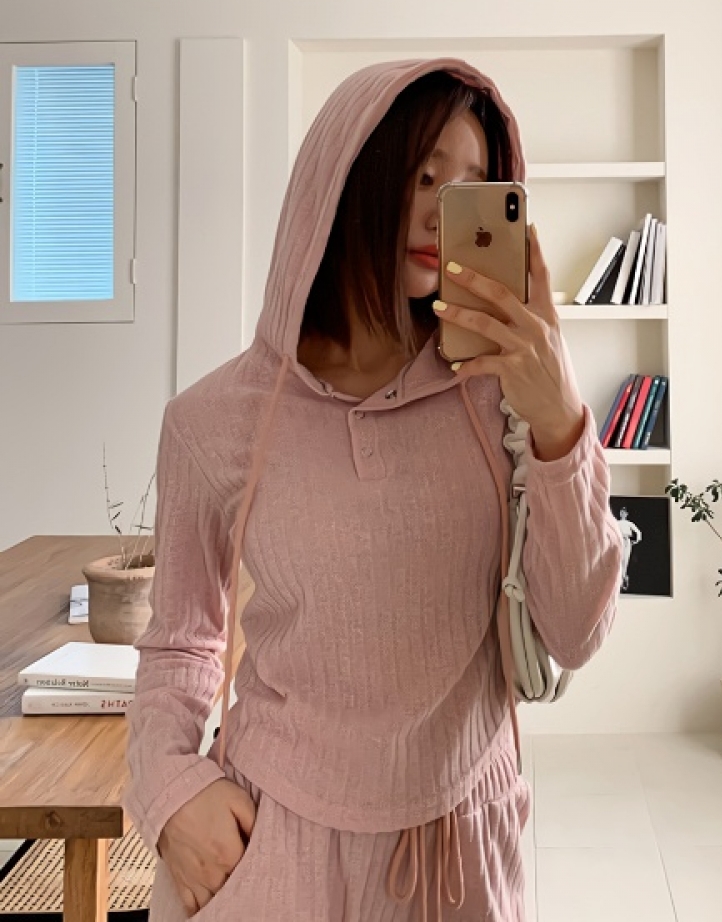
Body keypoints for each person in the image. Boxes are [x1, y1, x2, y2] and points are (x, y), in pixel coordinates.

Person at [123, 58, 624, 922]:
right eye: (424, 176)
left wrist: (559, 422)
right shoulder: (213, 422)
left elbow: (576, 632)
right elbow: (181, 642)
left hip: (460, 857)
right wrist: (170, 790)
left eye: (470, 187)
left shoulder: (503, 399)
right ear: (345, 179)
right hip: (273, 851)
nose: (442, 210)